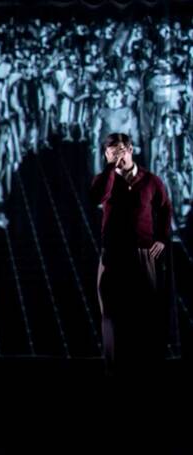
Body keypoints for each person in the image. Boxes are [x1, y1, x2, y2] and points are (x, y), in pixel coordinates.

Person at [89, 132, 172, 376]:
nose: (118, 155)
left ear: (131, 150)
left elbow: (165, 207)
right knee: (112, 314)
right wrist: (110, 171)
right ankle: (114, 369)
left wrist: (161, 238)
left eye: (121, 150)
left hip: (142, 253)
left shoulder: (151, 181)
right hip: (113, 254)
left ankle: (146, 367)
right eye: (111, 151)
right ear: (106, 154)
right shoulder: (105, 179)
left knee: (146, 311)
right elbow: (96, 197)